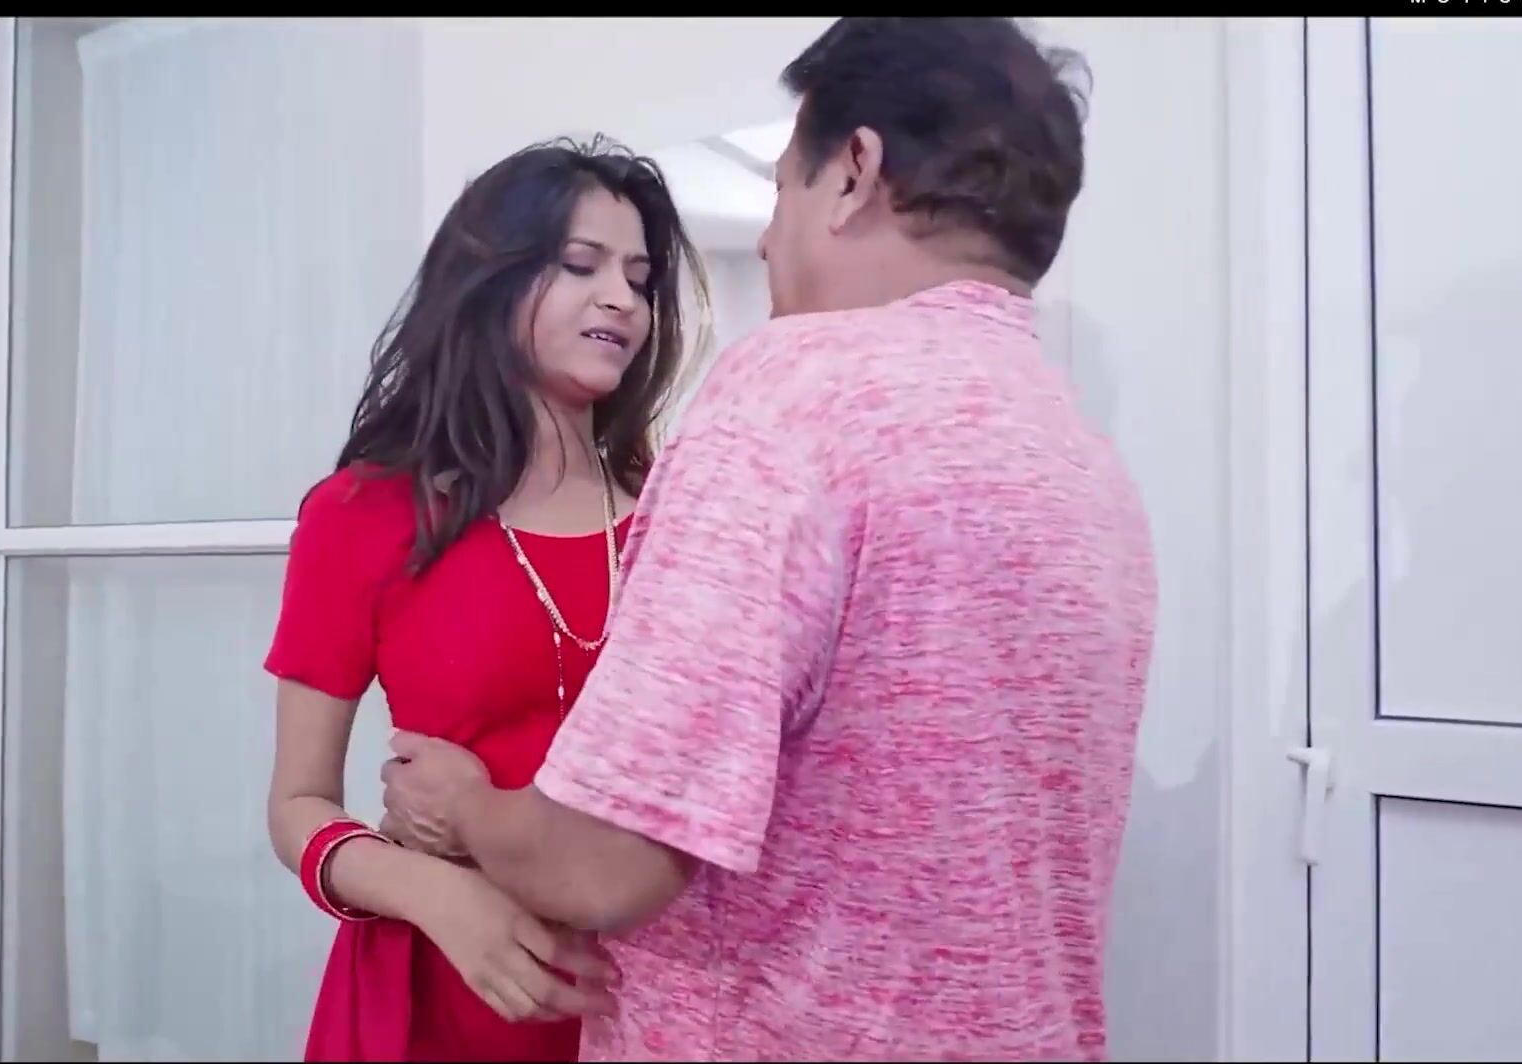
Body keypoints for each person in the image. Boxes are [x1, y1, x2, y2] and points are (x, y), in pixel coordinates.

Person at [378, 17, 1158, 1063]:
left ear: (855, 171)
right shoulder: (1086, 464)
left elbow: (606, 862)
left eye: (783, 188)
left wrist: (467, 810)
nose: (766, 239)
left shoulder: (789, 400)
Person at [262, 135, 706, 1062]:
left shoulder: (682, 514)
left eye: (639, 279)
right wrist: (440, 897)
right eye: (580, 265)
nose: (622, 299)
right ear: (489, 281)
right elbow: (297, 803)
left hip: (651, 991)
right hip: (440, 989)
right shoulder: (363, 515)